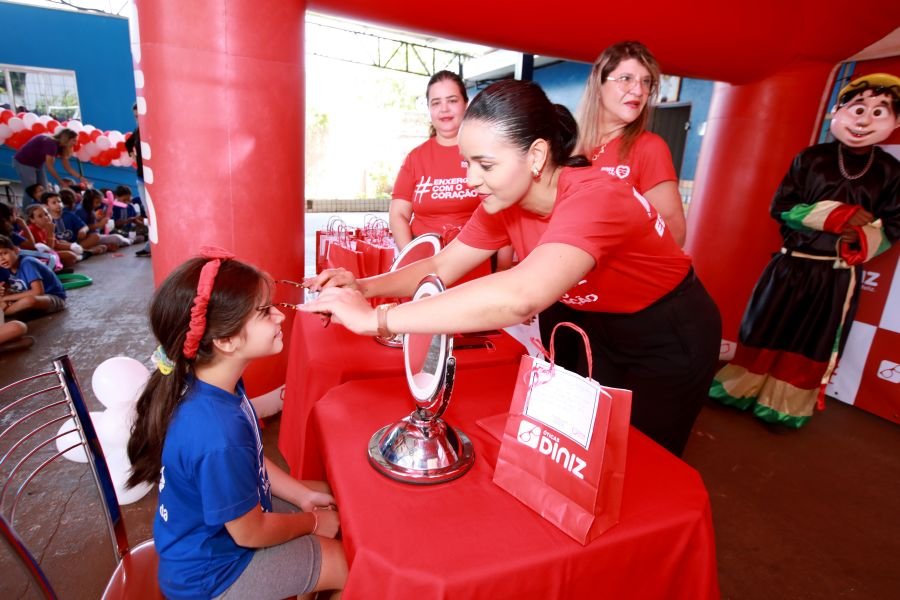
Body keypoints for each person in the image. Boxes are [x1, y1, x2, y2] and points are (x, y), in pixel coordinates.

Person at [302, 80, 721, 456]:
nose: (470, 179)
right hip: (589, 323)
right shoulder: (503, 202)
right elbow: (442, 264)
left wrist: (378, 319)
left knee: (643, 458)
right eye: (467, 163)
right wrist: (362, 285)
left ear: (537, 154)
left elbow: (521, 296)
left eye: (485, 165)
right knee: (580, 448)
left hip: (662, 331)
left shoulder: (596, 198)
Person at [126, 249, 347, 599]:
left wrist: (304, 496)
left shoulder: (213, 384)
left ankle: (303, 575)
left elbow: (253, 459)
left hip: (220, 542)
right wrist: (314, 522)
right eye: (264, 311)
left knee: (338, 501)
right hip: (214, 575)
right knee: (348, 563)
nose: (280, 317)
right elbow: (250, 533)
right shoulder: (216, 431)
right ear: (224, 341)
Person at [710, 73, 900, 427]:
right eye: (858, 108)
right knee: (763, 327)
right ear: (838, 112)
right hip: (790, 265)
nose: (863, 119)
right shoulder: (811, 158)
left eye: (879, 112)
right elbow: (781, 207)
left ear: (895, 122)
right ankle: (740, 389)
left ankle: (785, 405)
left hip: (837, 275)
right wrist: (836, 216)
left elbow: (894, 226)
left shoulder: (892, 173)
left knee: (812, 341)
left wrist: (859, 236)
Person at [390, 71, 512, 271]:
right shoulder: (415, 158)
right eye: (436, 102)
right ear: (429, 108)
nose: (444, 109)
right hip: (425, 264)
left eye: (452, 100)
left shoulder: (487, 153)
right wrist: (410, 260)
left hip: (477, 264)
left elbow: (504, 213)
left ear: (466, 103)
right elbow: (398, 215)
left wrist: (503, 269)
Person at [575, 41, 686, 246]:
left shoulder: (649, 147)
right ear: (599, 84)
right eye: (626, 79)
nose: (638, 91)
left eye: (646, 82)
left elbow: (674, 233)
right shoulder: (570, 144)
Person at [0, 234, 66, 317]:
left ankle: (4, 315)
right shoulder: (4, 268)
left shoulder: (27, 262)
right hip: (24, 298)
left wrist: (5, 299)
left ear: (16, 250)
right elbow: (5, 290)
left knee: (30, 301)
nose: (1, 259)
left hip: (51, 297)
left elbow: (38, 292)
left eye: (4, 253)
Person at [12, 128, 90, 191]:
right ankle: (29, 209)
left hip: (37, 164)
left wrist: (81, 177)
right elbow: (49, 166)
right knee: (32, 191)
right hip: (24, 162)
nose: (75, 143)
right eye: (74, 140)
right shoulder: (51, 144)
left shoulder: (62, 146)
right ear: (66, 139)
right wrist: (61, 182)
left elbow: (67, 167)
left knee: (44, 188)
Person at [125, 102, 153, 258]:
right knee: (149, 214)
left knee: (155, 214)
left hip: (153, 179)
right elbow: (128, 144)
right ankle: (150, 246)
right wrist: (134, 157)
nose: (137, 119)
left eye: (139, 116)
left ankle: (152, 245)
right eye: (135, 117)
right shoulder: (137, 131)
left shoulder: (152, 130)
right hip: (142, 178)